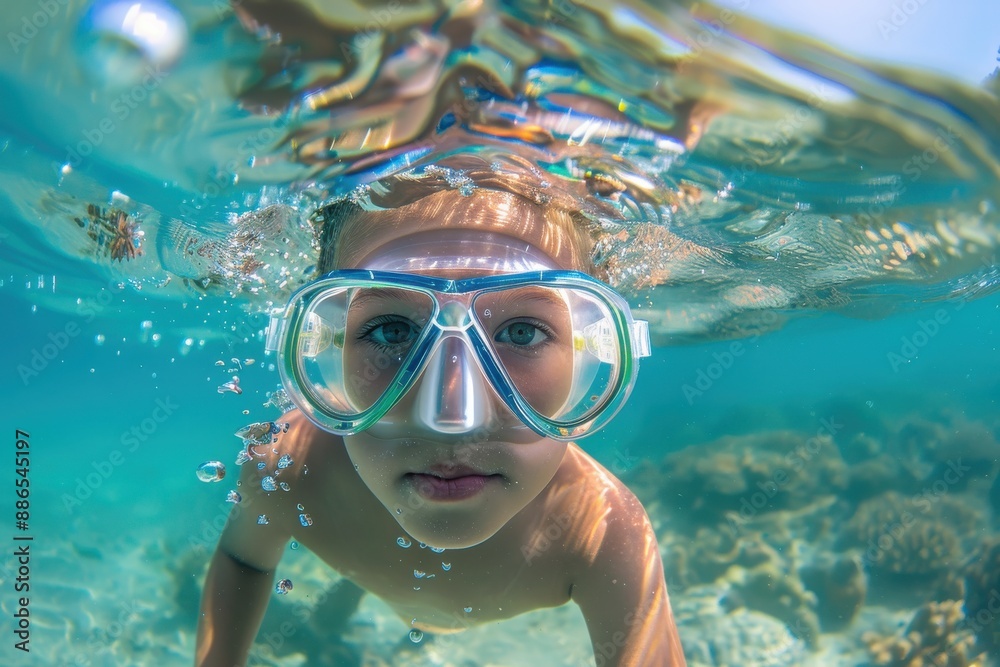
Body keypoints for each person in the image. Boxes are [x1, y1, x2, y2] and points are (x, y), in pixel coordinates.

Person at [195, 156, 686, 667]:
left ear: (591, 358)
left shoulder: (603, 532)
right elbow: (243, 560)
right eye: (391, 330)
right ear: (324, 351)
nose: (454, 418)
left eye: (522, 332)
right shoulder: (287, 465)